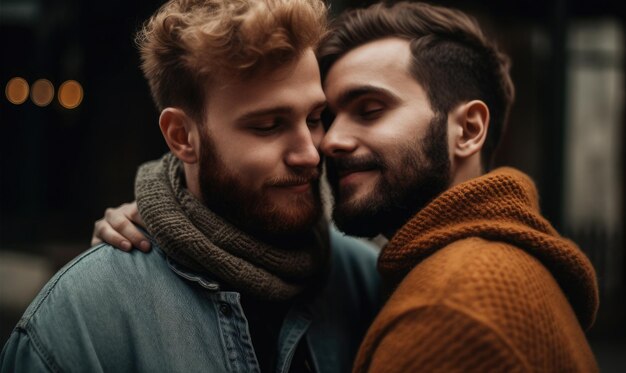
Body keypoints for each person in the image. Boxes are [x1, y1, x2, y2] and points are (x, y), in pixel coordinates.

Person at [94, 1, 601, 372]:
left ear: (466, 130)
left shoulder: (446, 309)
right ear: (183, 138)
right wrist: (167, 213)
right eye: (327, 116)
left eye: (370, 109)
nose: (325, 144)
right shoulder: (443, 266)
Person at [0, 1, 382, 372]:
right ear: (182, 136)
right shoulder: (84, 315)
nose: (311, 155)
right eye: (269, 126)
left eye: (315, 118)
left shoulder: (364, 279)